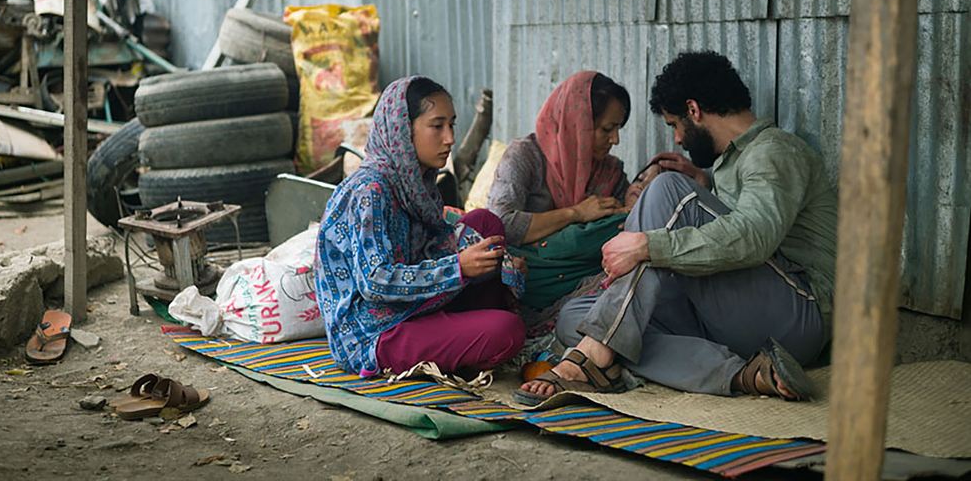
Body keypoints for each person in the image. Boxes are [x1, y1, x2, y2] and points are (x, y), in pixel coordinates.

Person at [515, 51, 837, 404]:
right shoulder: (730, 164)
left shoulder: (774, 150)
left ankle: (594, 360)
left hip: (796, 313)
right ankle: (742, 375)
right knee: (577, 319)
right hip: (737, 321)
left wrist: (648, 246)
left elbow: (756, 237)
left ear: (694, 111)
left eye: (674, 125)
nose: (678, 139)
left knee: (666, 189)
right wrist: (705, 186)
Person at [315, 76, 526, 377]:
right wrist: (459, 268)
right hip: (375, 333)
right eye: (437, 126)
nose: (450, 138)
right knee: (508, 331)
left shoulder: (416, 183)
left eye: (451, 125)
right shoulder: (370, 191)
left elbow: (433, 243)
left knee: (485, 223)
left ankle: (460, 333)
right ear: (402, 129)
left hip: (414, 306)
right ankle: (467, 339)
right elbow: (374, 281)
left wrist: (500, 263)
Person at [487, 71, 654, 311]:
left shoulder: (610, 172)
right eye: (607, 129)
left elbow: (623, 225)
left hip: (576, 284)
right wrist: (575, 213)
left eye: (618, 129)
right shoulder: (525, 157)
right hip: (525, 276)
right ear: (577, 125)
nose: (615, 139)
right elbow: (501, 224)